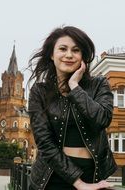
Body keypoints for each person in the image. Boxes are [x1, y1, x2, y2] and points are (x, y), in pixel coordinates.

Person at [28, 26, 117, 190]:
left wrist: (74, 87)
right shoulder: (39, 91)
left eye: (76, 50)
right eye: (63, 49)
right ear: (52, 54)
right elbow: (44, 142)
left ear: (82, 56)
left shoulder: (98, 84)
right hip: (52, 176)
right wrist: (78, 183)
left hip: (93, 174)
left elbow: (102, 119)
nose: (69, 55)